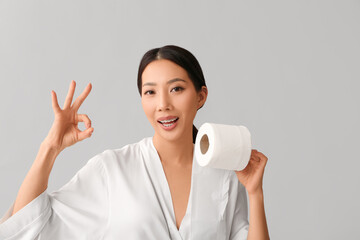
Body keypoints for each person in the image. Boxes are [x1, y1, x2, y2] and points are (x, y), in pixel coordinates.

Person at [0, 45, 270, 240]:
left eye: (176, 89)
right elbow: (27, 226)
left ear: (200, 97)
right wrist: (50, 148)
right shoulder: (113, 170)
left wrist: (255, 192)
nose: (163, 104)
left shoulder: (225, 173)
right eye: (150, 92)